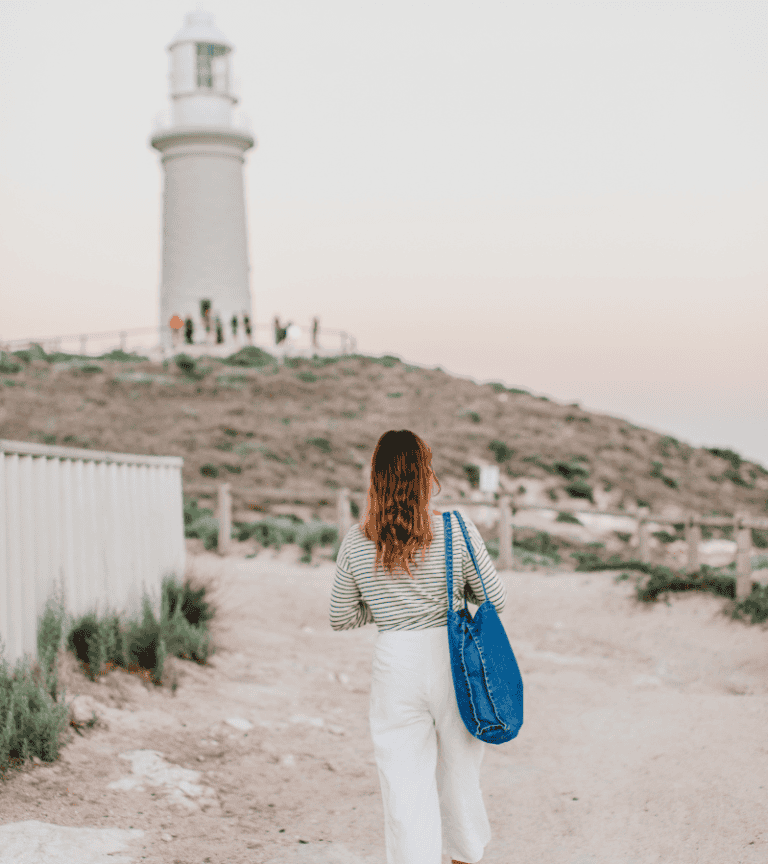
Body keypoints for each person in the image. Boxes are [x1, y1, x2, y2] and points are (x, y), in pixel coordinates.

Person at [330, 430, 506, 864]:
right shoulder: (454, 527)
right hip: (450, 660)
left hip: (395, 661)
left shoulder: (357, 540)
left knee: (403, 782)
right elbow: (494, 599)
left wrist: (390, 610)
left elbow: (341, 616)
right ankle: (463, 857)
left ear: (378, 479)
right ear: (424, 474)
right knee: (460, 774)